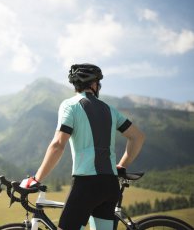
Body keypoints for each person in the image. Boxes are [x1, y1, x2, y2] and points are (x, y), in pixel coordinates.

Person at [20, 63, 145, 230]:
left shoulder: (70, 105)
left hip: (87, 184)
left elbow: (58, 144)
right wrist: (122, 165)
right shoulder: (110, 110)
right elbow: (137, 137)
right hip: (110, 184)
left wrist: (36, 179)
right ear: (94, 85)